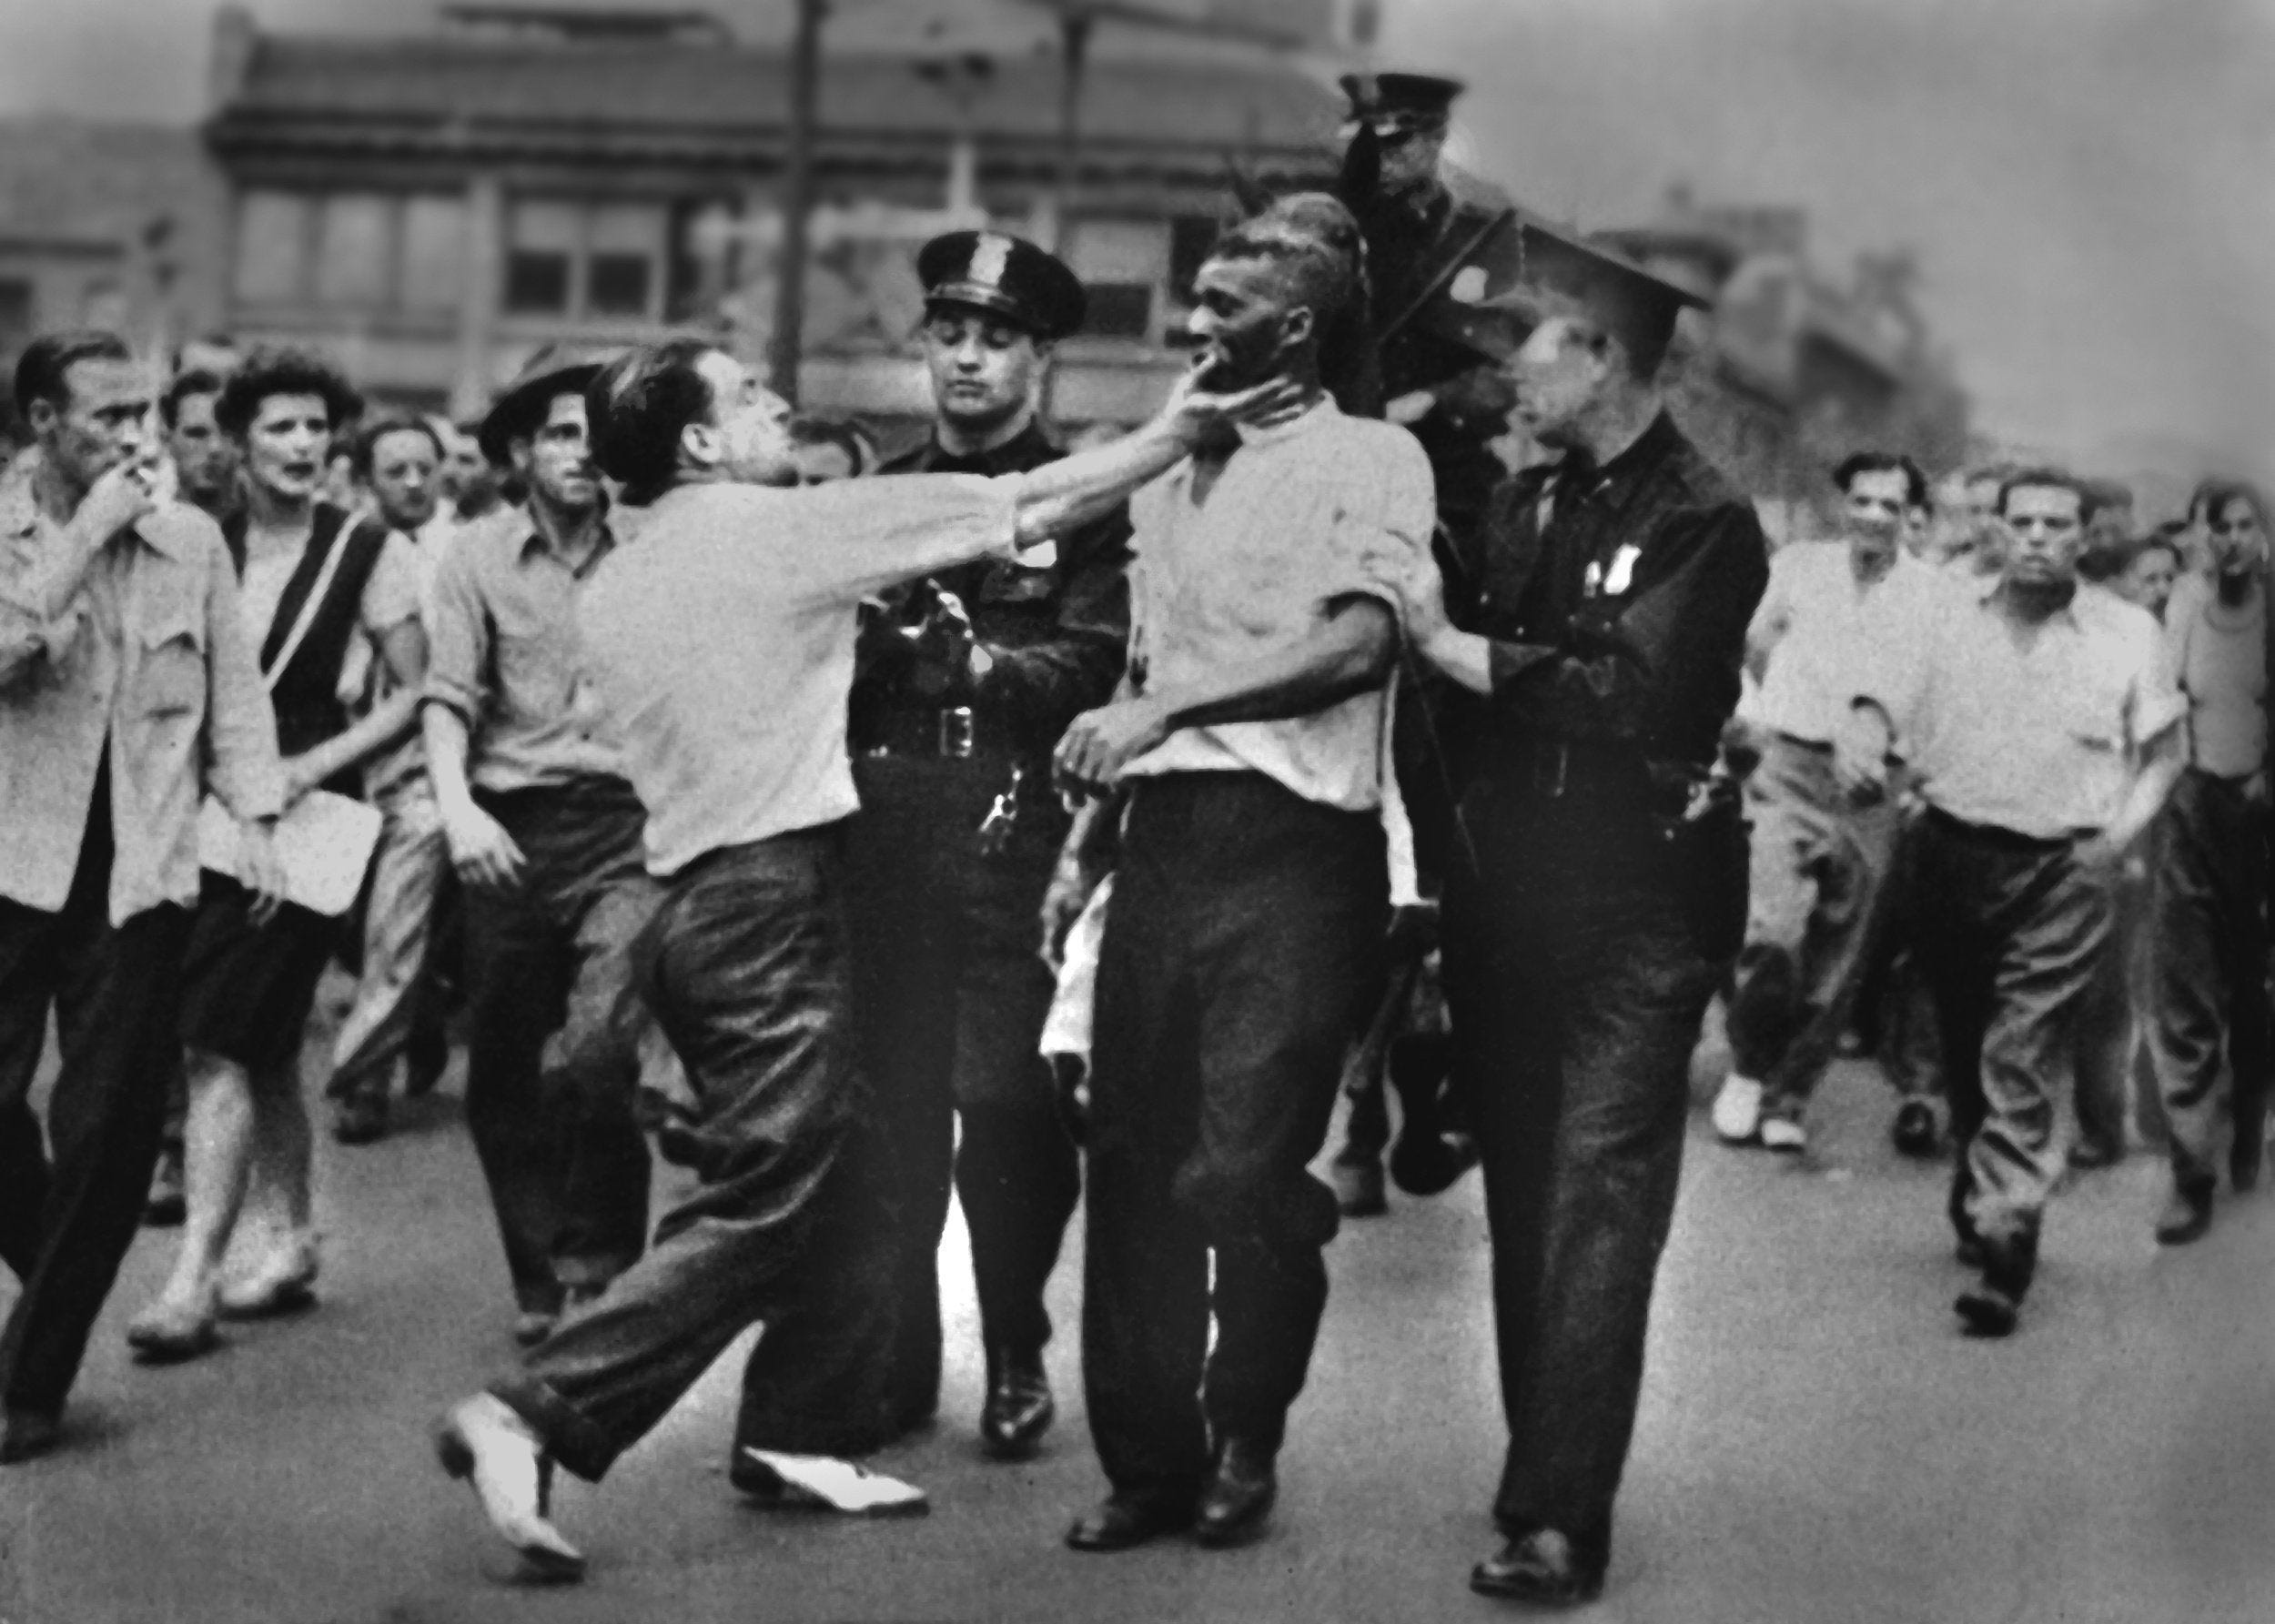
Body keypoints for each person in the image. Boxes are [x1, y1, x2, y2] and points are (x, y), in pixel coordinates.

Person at [431, 331, 1298, 1580]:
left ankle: (792, 1431)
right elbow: (1023, 502)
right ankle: (537, 1405)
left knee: (852, 1173)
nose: (778, 405)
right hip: (765, 904)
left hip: (697, 895)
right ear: (699, 444)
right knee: (774, 1193)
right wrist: (1173, 430)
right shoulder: (766, 530)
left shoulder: (624, 570)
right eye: (750, 396)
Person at [1386, 225, 1764, 1606]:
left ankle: (1558, 1515)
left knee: (1601, 1205)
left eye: (1532, 341)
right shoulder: (1526, 503)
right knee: (1535, 1206)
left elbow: (1638, 701)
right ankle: (1542, 1469)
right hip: (1511, 907)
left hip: (1642, 912)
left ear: (1604, 353)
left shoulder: (1705, 518)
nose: (1513, 371)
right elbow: (1468, 719)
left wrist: (1456, 645)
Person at [1043, 195, 1426, 1557]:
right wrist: (1088, 853)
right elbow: (1141, 660)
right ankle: (1147, 1462)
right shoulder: (1164, 462)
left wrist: (1172, 711)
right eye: (1192, 302)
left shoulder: (1376, 457)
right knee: (1134, 1165)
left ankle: (1247, 1420)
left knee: (1239, 1172)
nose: (1190, 325)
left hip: (1296, 856)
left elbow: (1359, 647)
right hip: (1161, 849)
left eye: (1221, 307)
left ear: (1301, 325)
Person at [816, 230, 1127, 1461]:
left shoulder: (1076, 506)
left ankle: (1011, 1340)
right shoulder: (879, 496)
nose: (967, 360)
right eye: (949, 335)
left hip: (1014, 824)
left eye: (996, 340)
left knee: (1006, 1102)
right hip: (882, 824)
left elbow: (1095, 658)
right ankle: (893, 1360)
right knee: (885, 1103)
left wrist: (984, 664)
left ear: (1041, 360)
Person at [0, 331, 287, 1462]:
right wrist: (81, 541)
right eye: (108, 416)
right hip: (13, 865)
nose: (136, 437)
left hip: (143, 872)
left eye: (148, 413)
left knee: (112, 1130)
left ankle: (31, 1375)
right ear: (39, 424)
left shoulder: (193, 542)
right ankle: (59, 1271)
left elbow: (236, 687)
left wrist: (255, 820)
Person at [124, 348, 428, 1359]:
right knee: (257, 1042)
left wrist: (307, 769)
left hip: (303, 823)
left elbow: (414, 693)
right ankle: (289, 1238)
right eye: (279, 430)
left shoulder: (365, 550)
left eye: (315, 428)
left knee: (213, 1040)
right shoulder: (204, 540)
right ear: (238, 444)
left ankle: (193, 1279)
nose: (304, 446)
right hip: (195, 809)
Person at [1840, 469, 2185, 1335]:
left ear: (2086, 533)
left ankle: (2007, 1241)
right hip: (1952, 854)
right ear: (1997, 529)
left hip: (2065, 870)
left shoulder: (2128, 632)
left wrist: (2116, 839)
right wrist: (1866, 734)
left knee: (2019, 1049)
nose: (2036, 536)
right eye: (2021, 521)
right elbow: (1881, 692)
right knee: (1964, 1045)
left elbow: (2166, 754)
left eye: (2055, 524)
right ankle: (1982, 1175)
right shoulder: (1944, 609)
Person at [421, 348, 657, 1345]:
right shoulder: (471, 556)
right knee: (507, 1063)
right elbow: (445, 700)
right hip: (508, 831)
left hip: (630, 830)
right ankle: (540, 1275)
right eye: (562, 433)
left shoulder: (652, 546)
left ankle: (600, 1260)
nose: (581, 454)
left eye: (597, 436)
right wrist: (457, 813)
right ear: (519, 452)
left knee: (600, 1044)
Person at [1325, 69, 1517, 1218]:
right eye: (1371, 136)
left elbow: (1509, 366)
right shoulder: (1328, 229)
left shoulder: (1481, 238)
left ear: (1437, 138)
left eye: (1401, 139)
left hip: (1446, 492)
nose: (1384, 155)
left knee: (1478, 695)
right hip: (1338, 480)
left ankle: (1400, 1070)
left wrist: (1429, 415)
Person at [1713, 452, 1940, 1155]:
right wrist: (1754, 717)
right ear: (1844, 504)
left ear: (1912, 517)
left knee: (1841, 951)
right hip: (1790, 764)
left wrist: (1903, 763)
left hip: (1874, 785)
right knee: (1770, 931)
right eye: (1862, 500)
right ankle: (1750, 1064)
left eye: (1890, 505)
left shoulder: (1934, 594)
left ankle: (1789, 1093)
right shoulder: (1799, 567)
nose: (1873, 515)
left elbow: (1932, 687)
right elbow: (1746, 645)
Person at [324, 414, 460, 1145]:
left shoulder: (462, 551)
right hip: (345, 761)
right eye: (395, 472)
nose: (413, 483)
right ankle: (425, 1007)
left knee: (393, 930)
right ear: (367, 480)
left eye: (423, 469)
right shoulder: (347, 551)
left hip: (430, 767)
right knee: (347, 931)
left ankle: (360, 1084)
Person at [2148, 481, 2268, 1243]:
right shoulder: (2187, 603)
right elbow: (2166, 699)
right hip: (2194, 809)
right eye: (2215, 527)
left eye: (2243, 525)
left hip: (2264, 821)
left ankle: (2248, 1125)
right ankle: (2191, 1171)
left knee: (2254, 992)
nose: (2228, 540)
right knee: (2185, 993)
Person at [159, 368, 240, 525]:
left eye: (227, 432)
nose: (215, 448)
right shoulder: (146, 528)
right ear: (166, 439)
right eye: (197, 434)